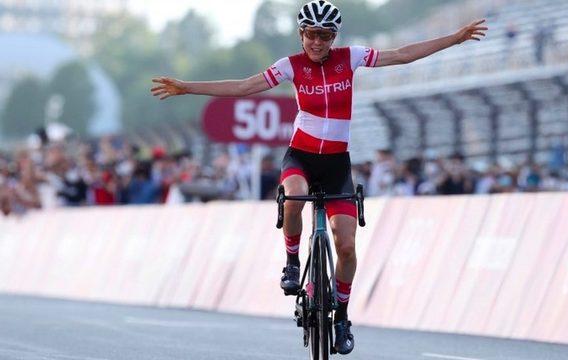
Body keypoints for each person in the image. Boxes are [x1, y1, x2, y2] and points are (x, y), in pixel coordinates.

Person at [151, 0, 487, 354]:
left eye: (325, 35)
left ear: (333, 37)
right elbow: (243, 87)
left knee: (346, 246)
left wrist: (455, 38)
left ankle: (341, 317)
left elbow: (402, 54)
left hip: (337, 164)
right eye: (311, 34)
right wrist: (188, 87)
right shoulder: (290, 67)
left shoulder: (351, 58)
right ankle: (293, 262)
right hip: (301, 158)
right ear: (301, 35)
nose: (317, 42)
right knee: (294, 196)